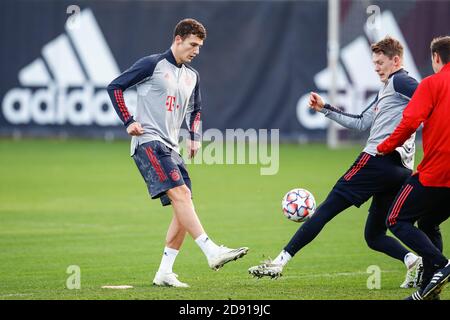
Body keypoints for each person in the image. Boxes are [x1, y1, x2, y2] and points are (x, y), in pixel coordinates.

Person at [249, 36, 423, 288]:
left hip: (376, 161)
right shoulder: (387, 88)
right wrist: (324, 108)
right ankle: (412, 260)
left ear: (395, 60)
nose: (375, 67)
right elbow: (361, 123)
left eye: (380, 62)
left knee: (325, 210)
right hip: (399, 170)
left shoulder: (400, 80)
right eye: (374, 62)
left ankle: (279, 262)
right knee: (374, 236)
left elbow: (429, 94)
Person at [107, 18, 248, 288]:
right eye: (193, 44)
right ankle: (211, 251)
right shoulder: (152, 65)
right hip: (148, 142)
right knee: (182, 196)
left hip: (171, 147)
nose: (196, 50)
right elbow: (114, 87)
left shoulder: (192, 76)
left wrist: (194, 137)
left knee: (184, 207)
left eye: (200, 46)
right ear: (178, 40)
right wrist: (128, 121)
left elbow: (195, 111)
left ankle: (164, 272)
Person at [377, 36, 450, 300]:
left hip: (437, 172)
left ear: (436, 58)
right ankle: (429, 291)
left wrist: (386, 146)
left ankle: (442, 266)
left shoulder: (432, 83)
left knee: (396, 219)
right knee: (428, 222)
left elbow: (409, 122)